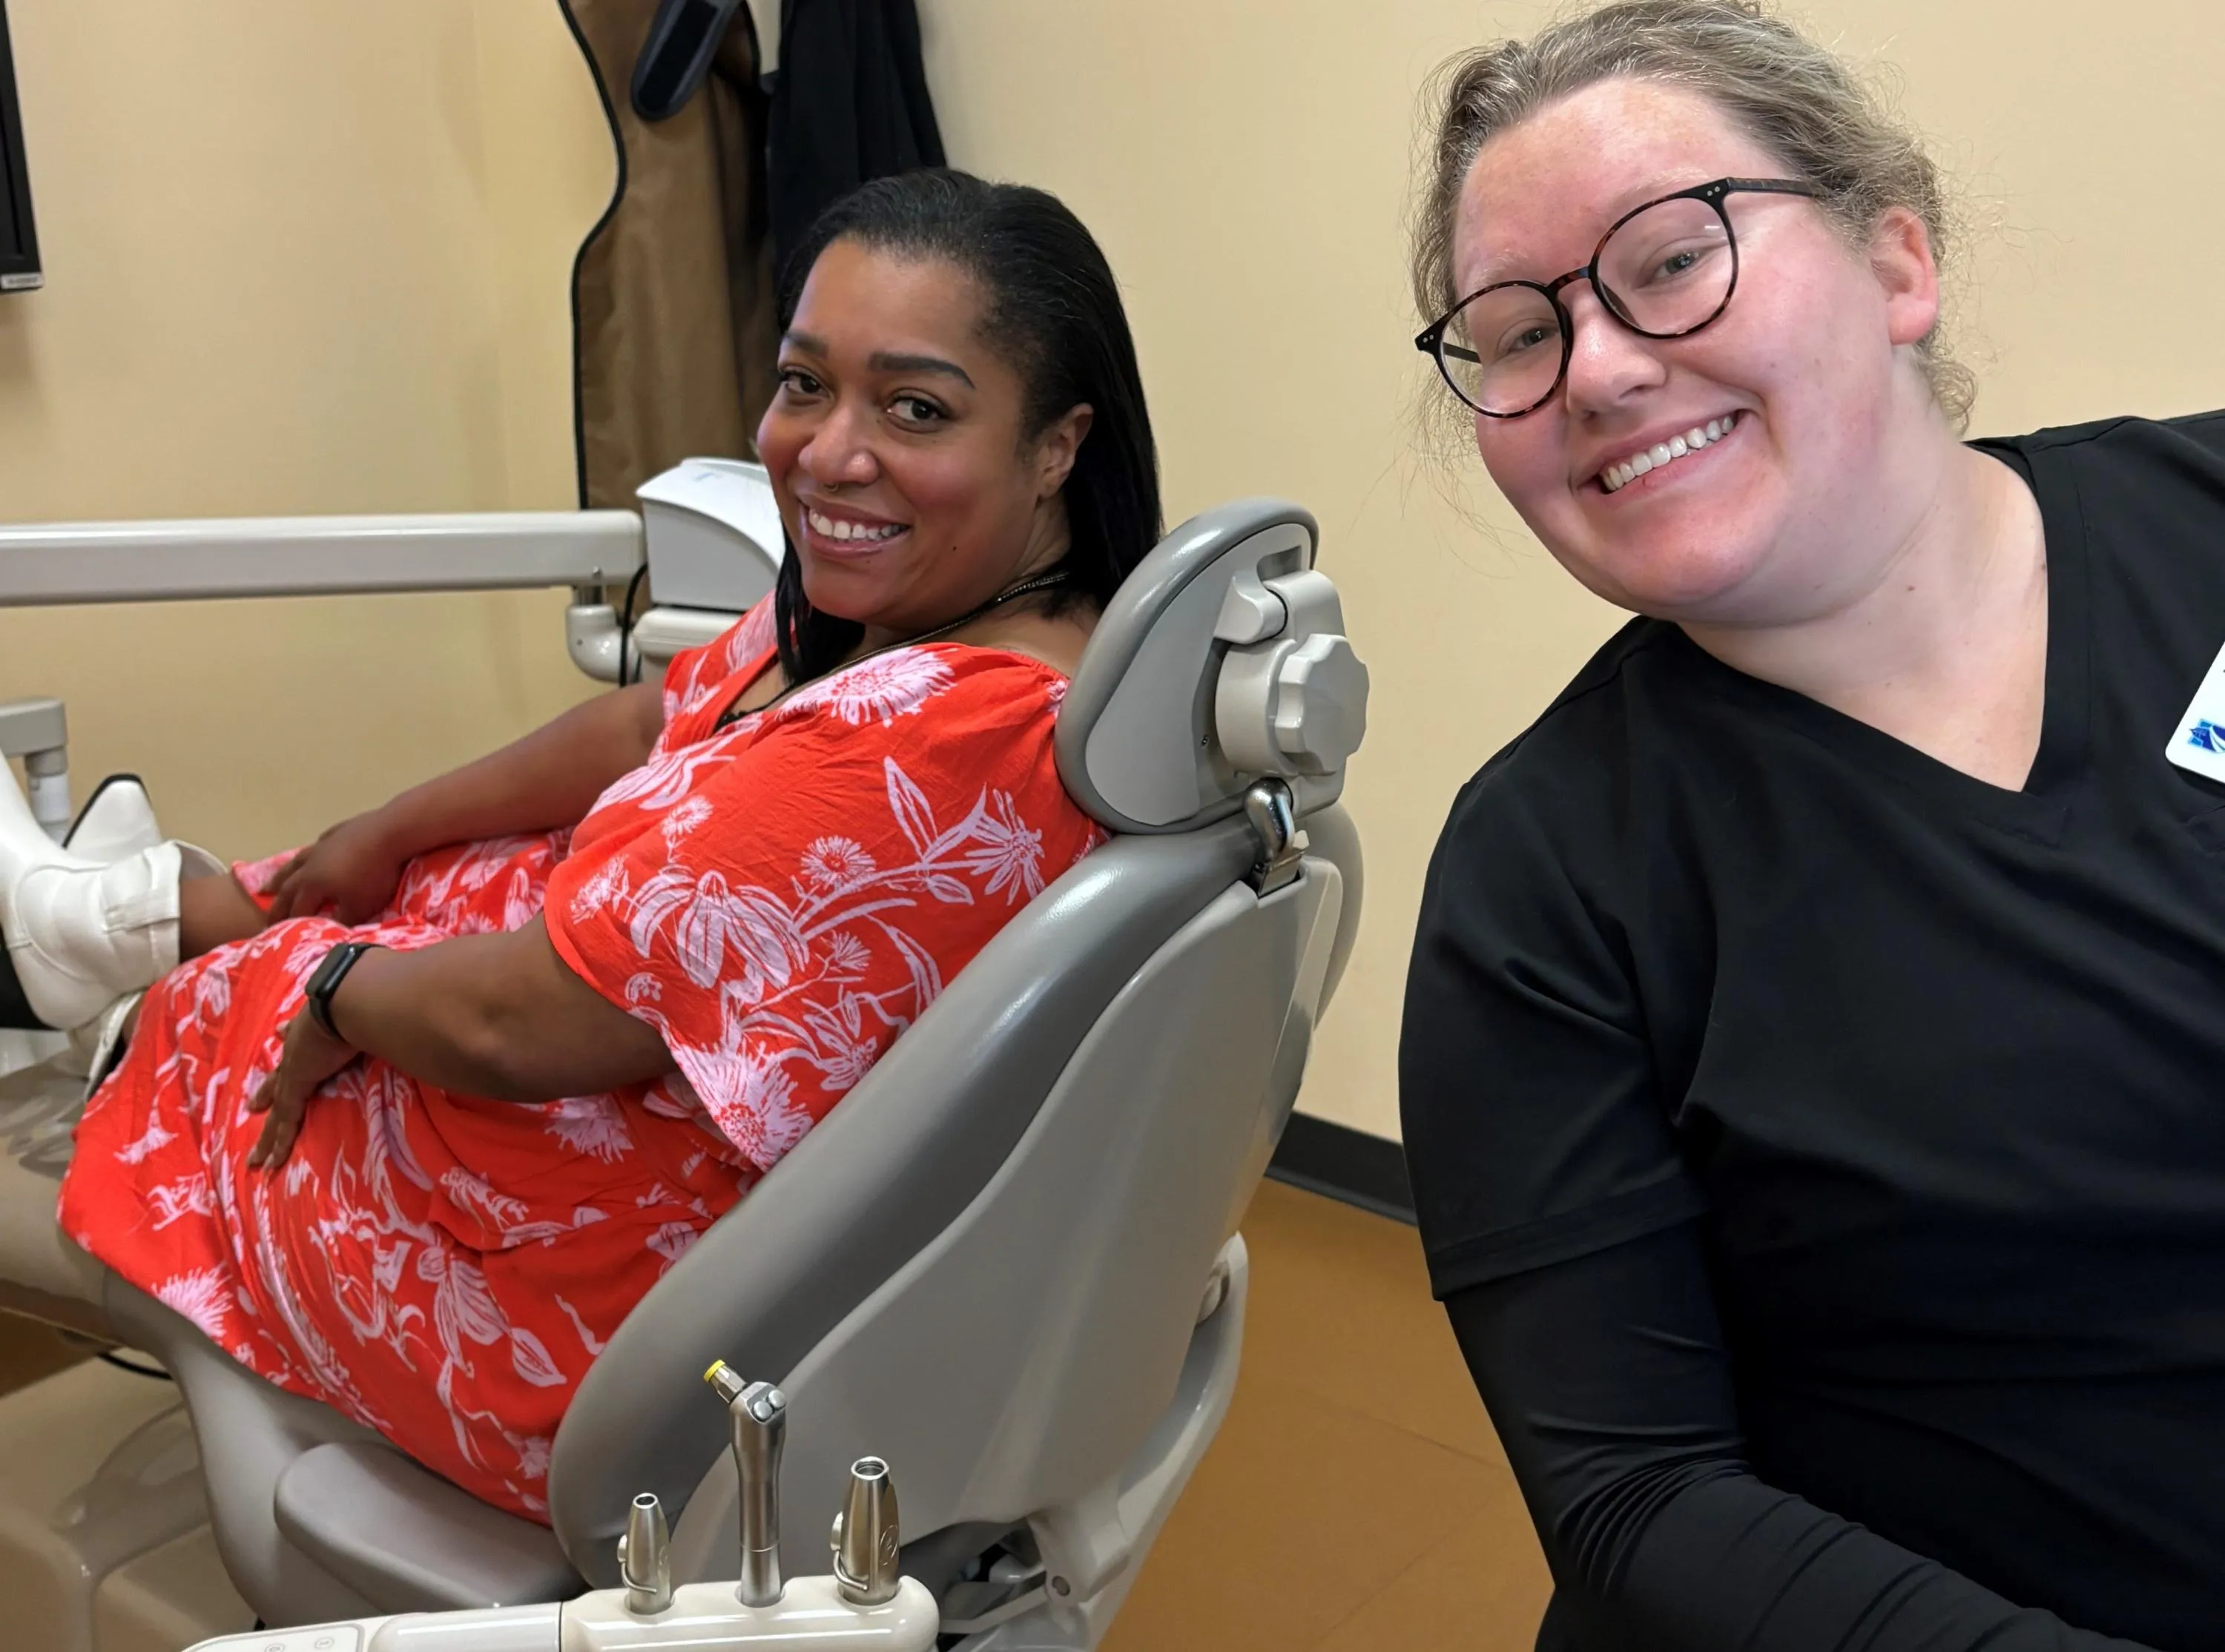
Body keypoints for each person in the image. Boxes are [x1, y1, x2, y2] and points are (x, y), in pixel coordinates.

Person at [10, 167, 1161, 1523]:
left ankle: (126, 976)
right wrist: (385, 832)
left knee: (250, 999)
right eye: (805, 384)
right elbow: (661, 717)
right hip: (650, 1178)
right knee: (423, 877)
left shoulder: (917, 747)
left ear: (1057, 445)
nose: (829, 454)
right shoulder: (954, 629)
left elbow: (515, 1028)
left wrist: (329, 990)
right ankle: (143, 907)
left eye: (917, 409)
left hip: (580, 1337)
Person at [1398, 2, 2225, 1646]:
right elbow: (1639, 1502)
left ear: (1897, 263)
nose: (1601, 368)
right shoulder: (1545, 883)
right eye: (1516, 333)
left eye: (1671, 258)